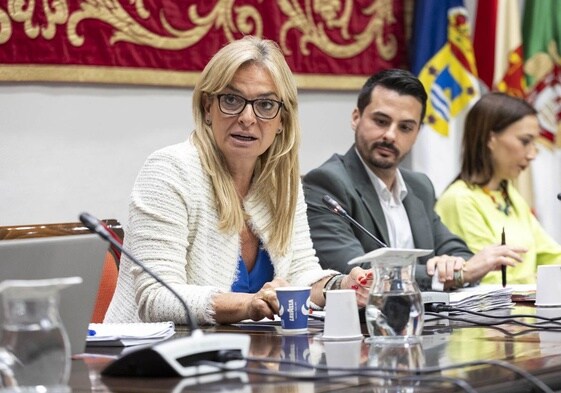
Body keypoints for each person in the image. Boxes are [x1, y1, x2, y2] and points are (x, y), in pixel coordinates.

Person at [104, 36, 371, 325]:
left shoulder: (281, 183)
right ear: (208, 107)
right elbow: (157, 298)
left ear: (282, 120)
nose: (247, 117)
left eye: (266, 105)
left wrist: (339, 286)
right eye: (231, 100)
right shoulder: (169, 170)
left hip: (248, 357)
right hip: (151, 359)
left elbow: (300, 273)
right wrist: (250, 304)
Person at [303, 69, 522, 290]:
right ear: (356, 118)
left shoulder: (419, 186)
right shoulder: (326, 184)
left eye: (405, 127)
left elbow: (458, 252)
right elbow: (360, 272)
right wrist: (452, 275)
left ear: (417, 133)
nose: (390, 135)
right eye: (381, 121)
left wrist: (451, 264)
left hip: (428, 319)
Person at [435, 92, 561, 284]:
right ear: (490, 139)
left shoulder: (506, 192)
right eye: (525, 141)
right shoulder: (459, 199)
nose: (532, 154)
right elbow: (489, 282)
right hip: (491, 313)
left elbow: (551, 257)